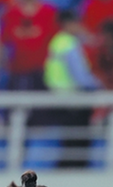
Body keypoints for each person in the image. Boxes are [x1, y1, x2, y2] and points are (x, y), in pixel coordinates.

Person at [43, 10, 102, 169]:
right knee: (77, 140)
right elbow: (80, 76)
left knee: (67, 139)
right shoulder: (70, 43)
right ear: (69, 24)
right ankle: (76, 168)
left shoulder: (57, 41)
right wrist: (99, 85)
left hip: (58, 95)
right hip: (73, 97)